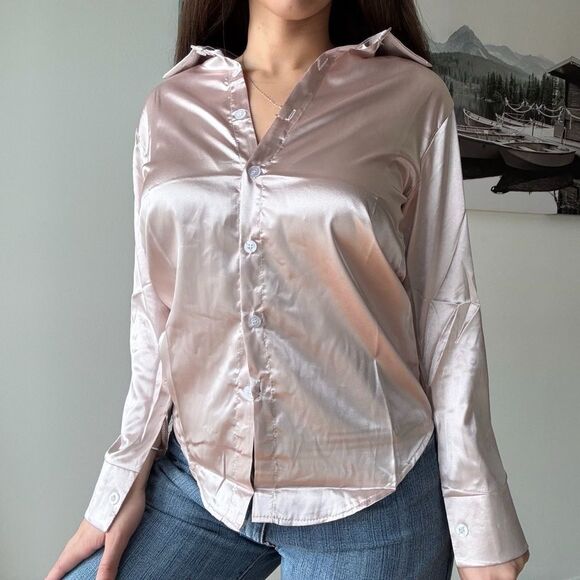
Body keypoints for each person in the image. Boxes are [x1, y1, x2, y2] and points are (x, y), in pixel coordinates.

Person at [46, 1, 531, 578]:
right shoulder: (168, 106)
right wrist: (123, 480)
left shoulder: (413, 97)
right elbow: (156, 316)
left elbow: (446, 312)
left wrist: (479, 518)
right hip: (201, 482)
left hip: (374, 499)